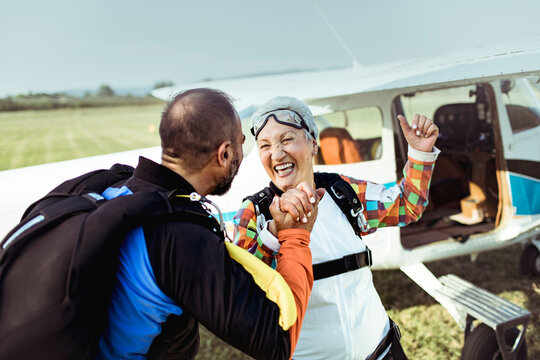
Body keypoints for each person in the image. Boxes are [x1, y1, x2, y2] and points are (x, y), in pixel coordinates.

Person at [96, 88, 323, 360]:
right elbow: (278, 340)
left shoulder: (111, 186)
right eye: (242, 143)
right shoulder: (183, 238)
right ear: (225, 154)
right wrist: (295, 236)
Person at [234, 96, 440, 359]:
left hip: (383, 350)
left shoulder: (342, 191)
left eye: (287, 140)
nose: (276, 153)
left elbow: (406, 206)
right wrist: (274, 233)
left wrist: (420, 154)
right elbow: (240, 293)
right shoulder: (253, 213)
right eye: (265, 145)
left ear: (313, 144)